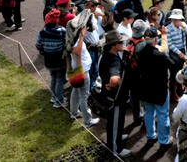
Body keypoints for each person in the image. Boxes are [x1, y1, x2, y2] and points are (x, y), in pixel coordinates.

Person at [136, 26, 172, 148]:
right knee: (162, 114)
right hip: (160, 89)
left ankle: (151, 136)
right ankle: (164, 140)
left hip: (145, 88)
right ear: (156, 40)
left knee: (148, 113)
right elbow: (172, 64)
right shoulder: (160, 55)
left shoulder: (140, 53)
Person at [99, 30, 131, 158]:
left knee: (115, 120)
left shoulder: (106, 54)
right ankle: (115, 149)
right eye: (121, 42)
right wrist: (114, 83)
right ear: (114, 45)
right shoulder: (113, 60)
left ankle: (117, 136)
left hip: (111, 95)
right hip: (115, 98)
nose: (123, 43)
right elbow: (114, 79)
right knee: (114, 122)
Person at [66, 11, 100, 128]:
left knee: (75, 92)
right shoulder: (76, 40)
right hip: (82, 71)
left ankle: (74, 113)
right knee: (84, 96)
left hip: (77, 69)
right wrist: (81, 35)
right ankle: (87, 121)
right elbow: (78, 52)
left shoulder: (72, 37)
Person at [36, 9, 67, 108]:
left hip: (48, 60)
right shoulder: (62, 31)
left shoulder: (42, 32)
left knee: (53, 78)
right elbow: (66, 44)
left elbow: (38, 45)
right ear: (56, 20)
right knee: (59, 79)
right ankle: (59, 101)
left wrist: (45, 50)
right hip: (60, 59)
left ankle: (54, 97)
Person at [167, 8, 187, 102]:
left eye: (179, 19)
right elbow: (170, 44)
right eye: (176, 19)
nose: (178, 21)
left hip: (182, 50)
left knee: (182, 72)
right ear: (172, 19)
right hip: (174, 53)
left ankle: (180, 89)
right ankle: (173, 95)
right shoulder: (168, 29)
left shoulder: (182, 26)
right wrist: (179, 53)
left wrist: (184, 27)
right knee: (174, 75)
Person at [84, 0, 104, 89]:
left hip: (95, 47)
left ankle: (93, 91)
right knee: (91, 71)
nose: (95, 7)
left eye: (96, 5)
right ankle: (90, 93)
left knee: (95, 70)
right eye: (93, 5)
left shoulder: (92, 16)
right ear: (87, 5)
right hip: (89, 48)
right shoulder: (84, 17)